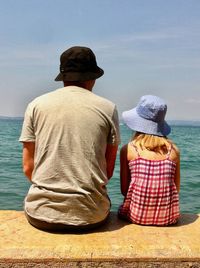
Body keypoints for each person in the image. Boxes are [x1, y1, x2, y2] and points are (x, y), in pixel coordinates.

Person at [19, 46, 120, 231]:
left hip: (41, 214)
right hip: (91, 215)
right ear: (93, 77)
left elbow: (28, 167)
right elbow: (108, 170)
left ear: (63, 77)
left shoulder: (35, 105)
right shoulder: (108, 108)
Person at [118, 95, 180, 226]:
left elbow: (125, 190)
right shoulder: (173, 151)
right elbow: (176, 190)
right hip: (167, 219)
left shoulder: (129, 149)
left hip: (136, 217)